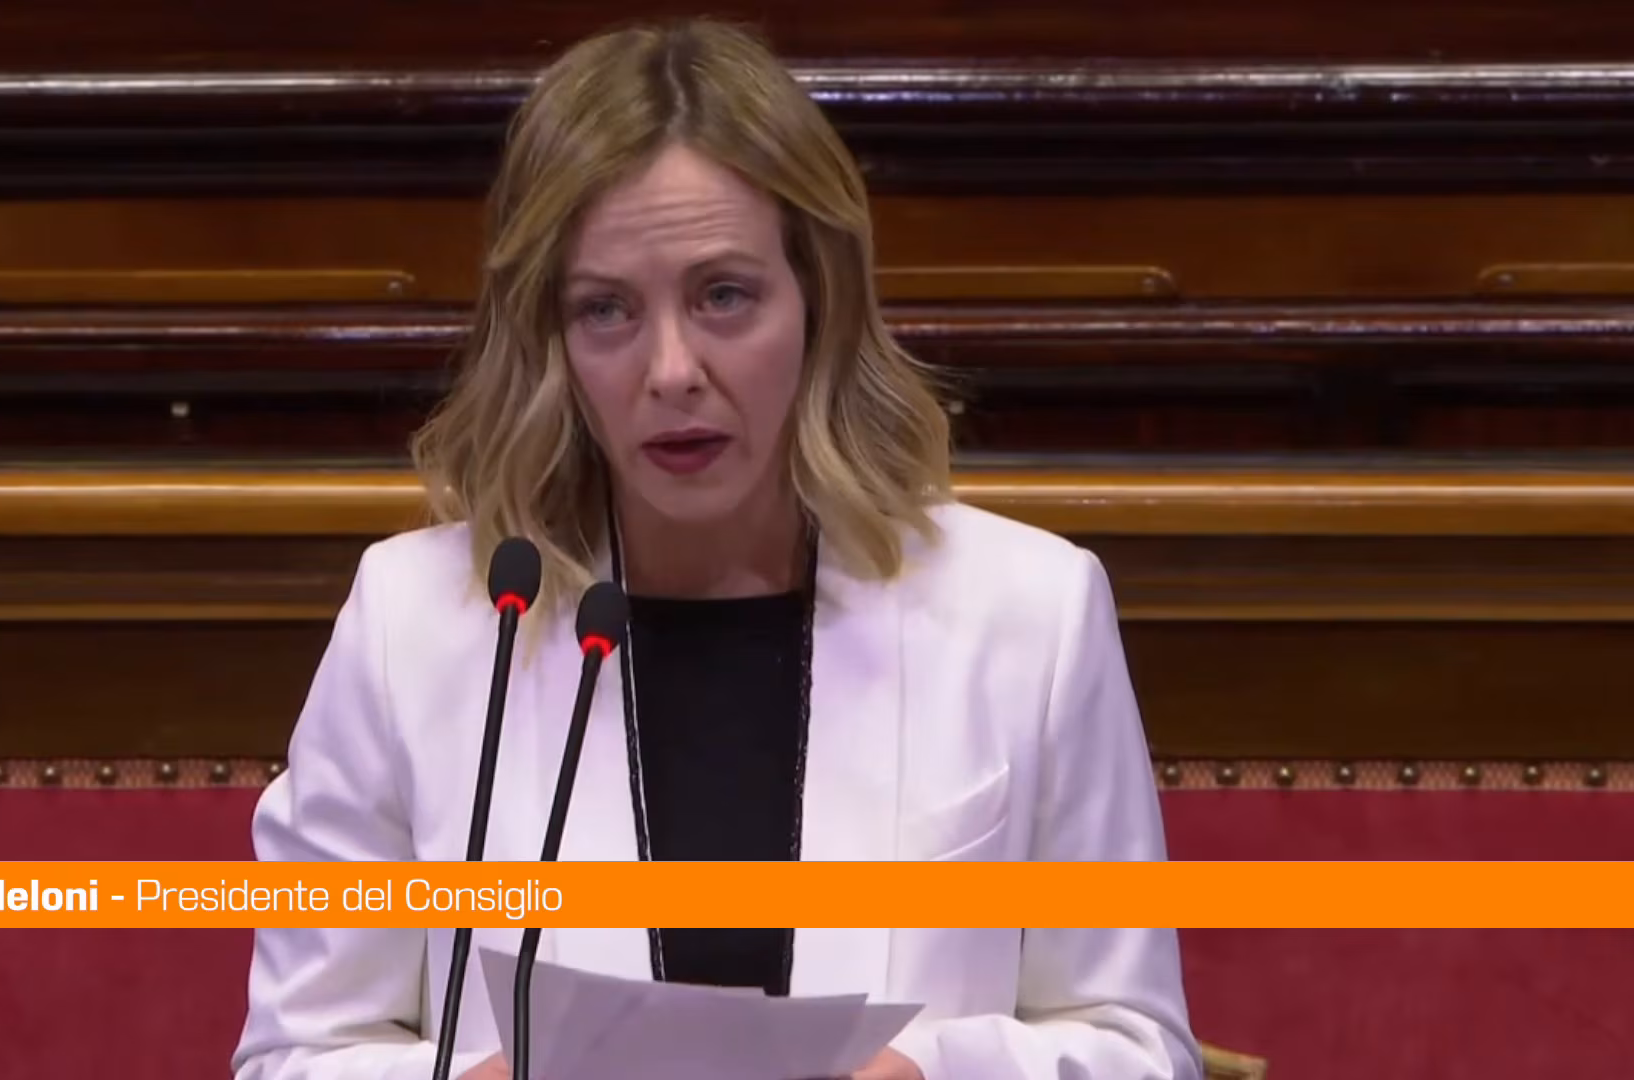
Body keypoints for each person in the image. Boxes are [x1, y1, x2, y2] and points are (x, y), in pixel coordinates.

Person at [233, 18, 1200, 1080]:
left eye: (723, 295)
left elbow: (1138, 1047)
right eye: (606, 310)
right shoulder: (414, 625)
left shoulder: (1029, 614)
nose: (671, 369)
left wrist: (938, 1073)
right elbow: (296, 1055)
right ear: (550, 340)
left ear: (819, 302)